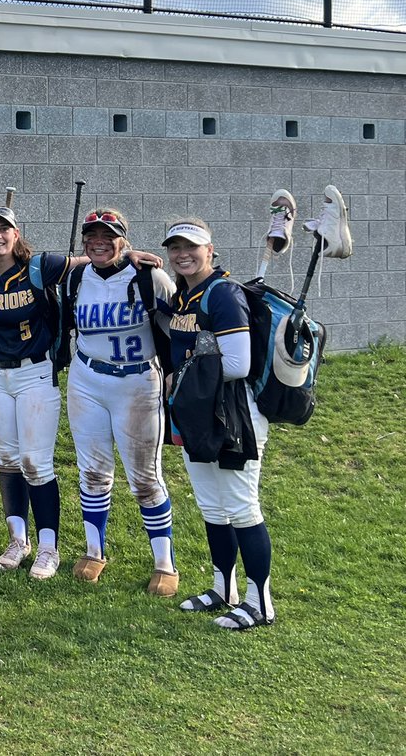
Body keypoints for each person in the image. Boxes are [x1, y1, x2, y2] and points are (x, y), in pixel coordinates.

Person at [163, 218, 275, 630]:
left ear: (211, 249)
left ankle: (260, 603)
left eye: (191, 246)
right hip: (197, 413)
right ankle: (222, 588)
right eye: (174, 247)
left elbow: (237, 363)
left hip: (233, 414)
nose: (182, 254)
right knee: (213, 507)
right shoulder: (183, 296)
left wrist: (183, 372)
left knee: (242, 508)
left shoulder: (223, 293)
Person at [65, 208, 179, 595]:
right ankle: (94, 552)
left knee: (145, 478)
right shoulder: (77, 277)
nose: (98, 241)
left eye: (108, 235)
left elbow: (178, 323)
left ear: (123, 240)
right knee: (93, 472)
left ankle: (165, 563)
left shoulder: (149, 277)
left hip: (136, 382)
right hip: (87, 379)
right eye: (91, 234)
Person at [0, 206, 70, 579]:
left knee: (36, 464)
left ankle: (48, 548)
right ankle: (18, 541)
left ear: (16, 232)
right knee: (7, 460)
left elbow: (90, 261)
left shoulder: (40, 266)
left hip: (35, 373)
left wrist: (130, 255)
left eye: (3, 229)